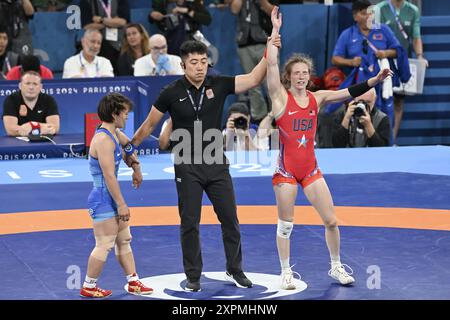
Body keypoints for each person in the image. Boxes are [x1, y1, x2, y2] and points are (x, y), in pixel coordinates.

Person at [125, 34, 280, 292]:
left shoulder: (218, 84)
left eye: (203, 61)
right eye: (194, 62)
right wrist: (130, 147)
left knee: (230, 218)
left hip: (216, 163)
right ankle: (193, 275)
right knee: (189, 223)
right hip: (187, 166)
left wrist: (269, 46)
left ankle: (235, 268)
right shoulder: (171, 92)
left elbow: (254, 78)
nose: (199, 66)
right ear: (183, 66)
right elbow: (149, 124)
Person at [266, 6, 393, 289]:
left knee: (332, 221)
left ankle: (336, 266)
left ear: (309, 76)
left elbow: (347, 92)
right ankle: (285, 271)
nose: (300, 76)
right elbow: (271, 65)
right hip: (286, 172)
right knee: (286, 225)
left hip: (310, 170)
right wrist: (275, 31)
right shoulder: (279, 99)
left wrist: (374, 81)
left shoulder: (318, 97)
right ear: (289, 77)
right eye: (295, 73)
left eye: (304, 73)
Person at [79, 93, 153, 298]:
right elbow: (109, 176)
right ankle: (89, 286)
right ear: (114, 114)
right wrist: (121, 204)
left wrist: (136, 166)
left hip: (109, 195)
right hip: (103, 197)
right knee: (104, 244)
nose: (127, 117)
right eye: (125, 113)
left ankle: (133, 281)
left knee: (124, 239)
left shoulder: (115, 133)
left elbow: (129, 146)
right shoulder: (103, 139)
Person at [331, 0, 403, 131]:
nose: (368, 16)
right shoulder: (347, 34)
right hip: (356, 85)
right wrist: (351, 62)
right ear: (355, 16)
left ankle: (387, 145)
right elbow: (335, 59)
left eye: (370, 13)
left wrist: (385, 53)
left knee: (384, 116)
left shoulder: (383, 30)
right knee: (335, 111)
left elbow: (398, 50)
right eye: (364, 13)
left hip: (380, 84)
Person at [375, 0, 428, 145]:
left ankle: (392, 140)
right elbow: (374, 34)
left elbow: (416, 36)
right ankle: (377, 139)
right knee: (380, 98)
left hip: (401, 61)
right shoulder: (380, 8)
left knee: (398, 101)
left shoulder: (413, 10)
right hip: (383, 59)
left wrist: (419, 56)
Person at [229, 0, 277, 123]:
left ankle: (276, 115)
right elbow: (234, 9)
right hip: (244, 42)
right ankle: (259, 117)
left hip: (264, 41)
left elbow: (273, 10)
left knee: (271, 82)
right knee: (251, 85)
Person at [2, 70, 59, 137]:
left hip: (44, 141)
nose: (31, 87)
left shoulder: (49, 100)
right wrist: (42, 128)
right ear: (20, 86)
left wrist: (31, 126)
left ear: (41, 87)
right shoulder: (11, 100)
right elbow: (10, 130)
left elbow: (55, 128)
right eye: (27, 83)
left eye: (35, 84)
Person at [80, 0, 130, 73]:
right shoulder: (86, 1)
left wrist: (101, 20)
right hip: (100, 44)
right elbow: (87, 26)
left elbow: (123, 22)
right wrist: (113, 22)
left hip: (119, 42)